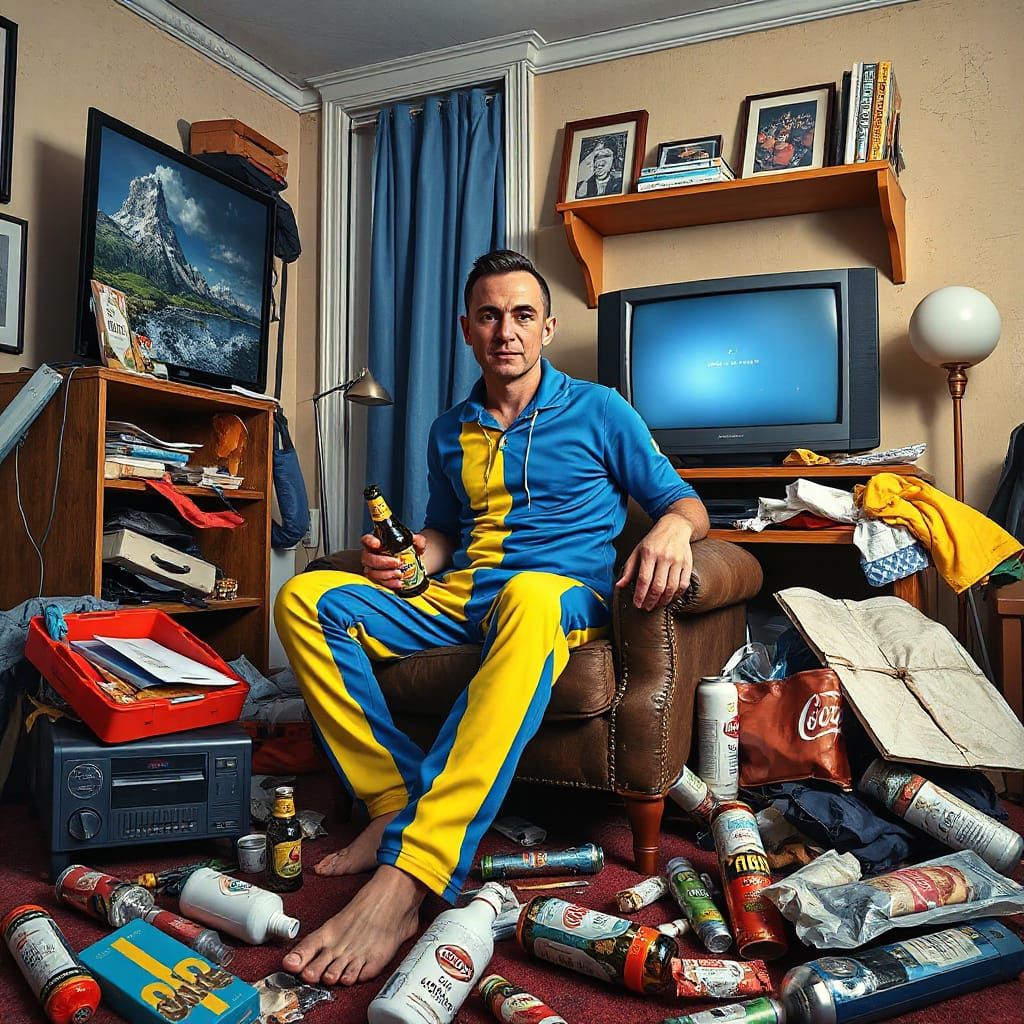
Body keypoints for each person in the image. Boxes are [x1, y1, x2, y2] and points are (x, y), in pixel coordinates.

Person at [274, 249, 708, 987]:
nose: (506, 330)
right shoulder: (450, 429)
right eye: (490, 316)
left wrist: (671, 529)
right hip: (462, 595)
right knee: (304, 598)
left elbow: (684, 502)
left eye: (522, 315)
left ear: (547, 328)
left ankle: (414, 870)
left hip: (557, 597)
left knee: (529, 594)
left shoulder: (602, 409)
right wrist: (416, 552)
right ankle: (391, 800)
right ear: (467, 329)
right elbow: (446, 531)